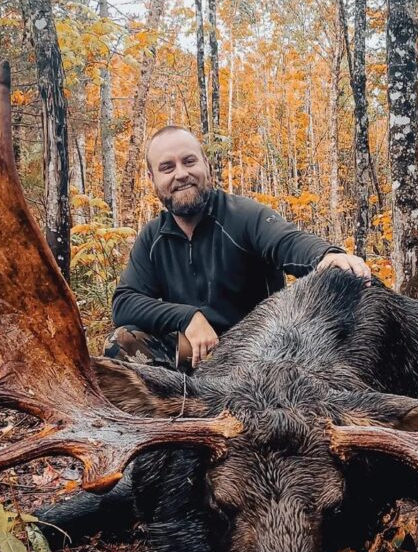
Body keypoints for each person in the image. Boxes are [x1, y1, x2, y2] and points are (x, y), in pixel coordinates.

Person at [105, 125, 370, 369]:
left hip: (260, 353)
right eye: (167, 167)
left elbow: (286, 241)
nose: (181, 174)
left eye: (189, 161)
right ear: (152, 178)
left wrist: (326, 255)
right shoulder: (153, 238)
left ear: (206, 165)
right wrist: (187, 317)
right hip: (198, 352)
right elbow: (125, 303)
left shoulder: (243, 216)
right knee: (122, 343)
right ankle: (171, 413)